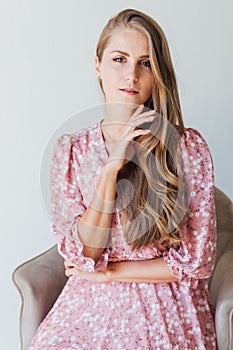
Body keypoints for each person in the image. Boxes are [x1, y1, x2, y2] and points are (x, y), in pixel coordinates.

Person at [28, 8, 217, 350]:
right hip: (88, 298)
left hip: (164, 300)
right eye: (119, 59)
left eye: (145, 63)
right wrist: (110, 171)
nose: (131, 74)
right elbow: (84, 253)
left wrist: (111, 273)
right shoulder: (71, 151)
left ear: (158, 74)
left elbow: (196, 261)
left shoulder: (186, 148)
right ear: (98, 66)